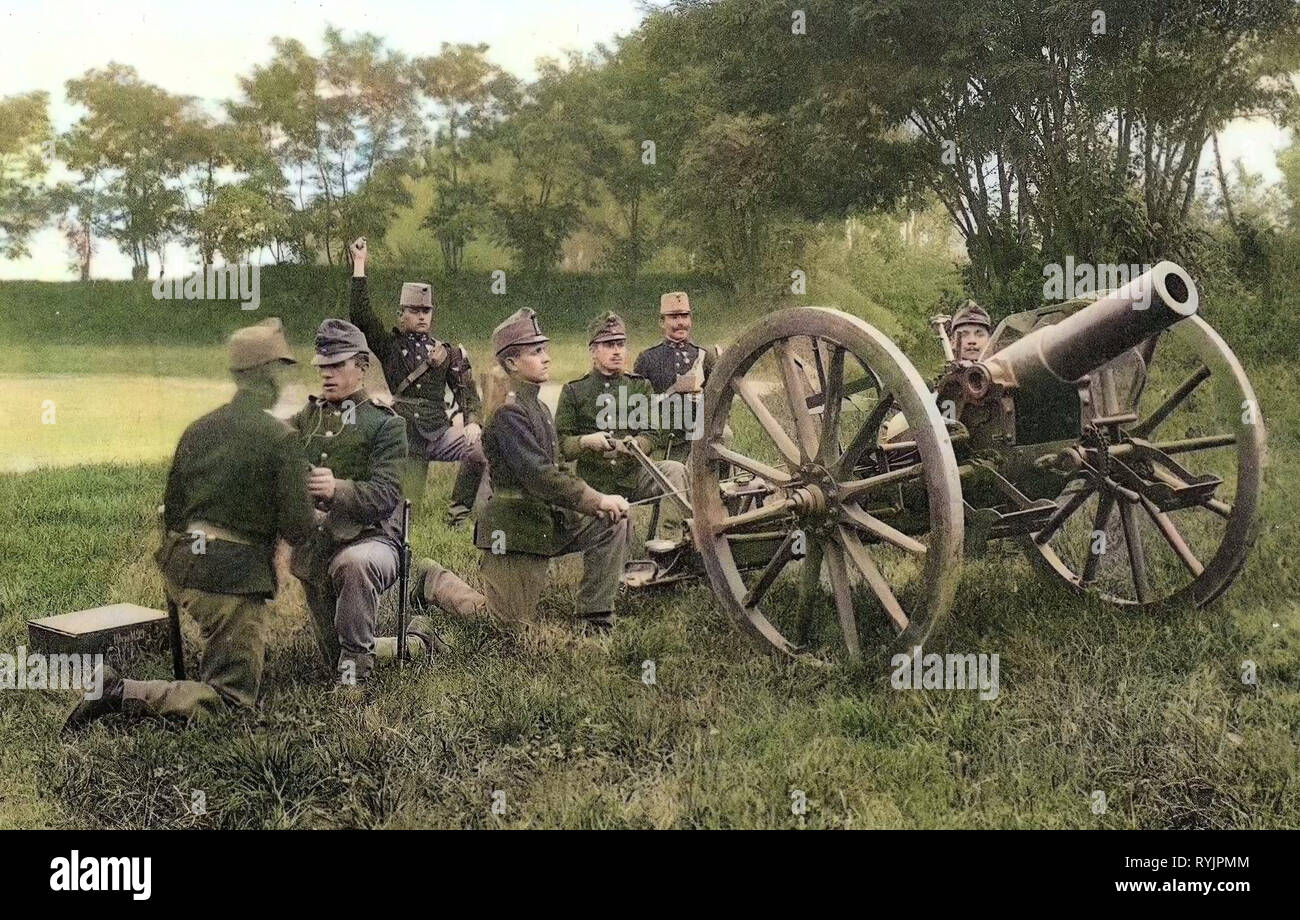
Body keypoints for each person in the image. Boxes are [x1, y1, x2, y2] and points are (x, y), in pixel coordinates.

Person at [66, 319, 322, 728]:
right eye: (278, 369)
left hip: (179, 567)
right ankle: (120, 691)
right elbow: (300, 529)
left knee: (232, 641)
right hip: (228, 580)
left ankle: (217, 653)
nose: (282, 379)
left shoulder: (199, 429)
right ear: (264, 375)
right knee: (232, 706)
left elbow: (173, 509)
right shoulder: (280, 439)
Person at [410, 308, 631, 631]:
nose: (546, 357)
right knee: (506, 627)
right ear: (512, 363)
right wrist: (596, 499)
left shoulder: (538, 406)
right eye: (536, 351)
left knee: (612, 522)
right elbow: (540, 475)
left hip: (548, 520)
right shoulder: (508, 413)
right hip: (515, 531)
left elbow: (557, 468)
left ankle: (595, 619)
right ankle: (434, 580)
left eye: (545, 349)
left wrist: (598, 504)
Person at [289, 319, 439, 685]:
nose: (328, 374)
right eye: (323, 366)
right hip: (319, 544)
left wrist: (337, 490)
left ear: (362, 366)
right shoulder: (306, 419)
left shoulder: (385, 424)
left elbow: (386, 495)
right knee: (333, 656)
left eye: (338, 365)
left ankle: (355, 681)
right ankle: (416, 643)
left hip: (373, 540)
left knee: (355, 565)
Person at [347, 237, 486, 527]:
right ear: (401, 314)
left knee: (483, 447)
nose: (422, 316)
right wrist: (359, 264)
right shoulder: (390, 347)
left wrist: (472, 421)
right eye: (414, 311)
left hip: (439, 432)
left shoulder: (446, 352)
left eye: (426, 311)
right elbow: (360, 315)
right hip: (406, 437)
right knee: (407, 515)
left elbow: (467, 392)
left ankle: (458, 516)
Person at [554, 311, 687, 549]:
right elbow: (560, 444)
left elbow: (652, 432)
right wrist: (586, 441)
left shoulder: (639, 385)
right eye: (608, 345)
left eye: (620, 344)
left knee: (675, 471)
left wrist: (637, 445)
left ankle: (669, 543)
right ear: (593, 350)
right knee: (612, 536)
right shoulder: (574, 391)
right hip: (595, 483)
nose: (617, 351)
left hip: (633, 475)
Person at [632, 291, 716, 458]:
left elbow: (717, 398)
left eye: (684, 316)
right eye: (674, 317)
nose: (680, 323)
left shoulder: (704, 356)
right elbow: (637, 404)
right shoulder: (647, 358)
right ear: (662, 322)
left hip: (698, 436)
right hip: (662, 440)